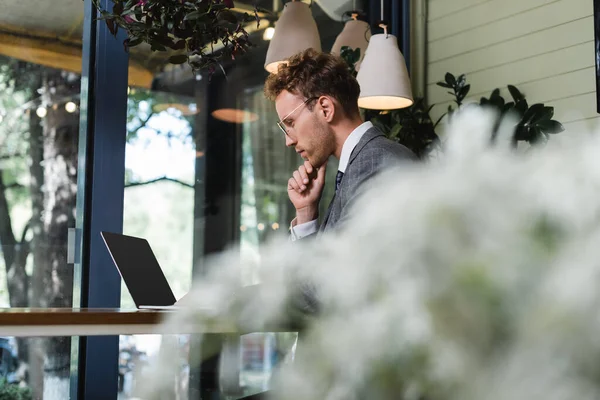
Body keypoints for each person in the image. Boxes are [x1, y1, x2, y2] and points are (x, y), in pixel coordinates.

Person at [263, 48, 416, 239]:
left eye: (291, 123)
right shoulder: (362, 164)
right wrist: (306, 213)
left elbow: (336, 269)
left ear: (325, 109)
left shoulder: (375, 165)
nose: (289, 141)